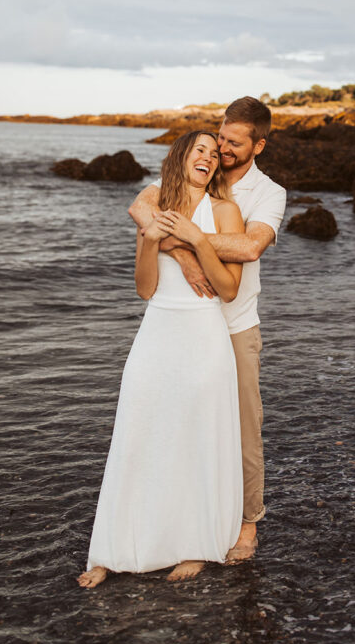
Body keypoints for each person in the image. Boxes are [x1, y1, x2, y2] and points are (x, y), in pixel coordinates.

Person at [77, 131, 246, 588]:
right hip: (156, 332)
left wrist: (197, 240)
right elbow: (145, 288)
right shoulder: (157, 208)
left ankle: (193, 545)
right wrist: (152, 239)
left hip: (203, 333)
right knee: (139, 431)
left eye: (214, 155)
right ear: (180, 157)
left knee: (194, 437)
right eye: (200, 151)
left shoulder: (225, 210)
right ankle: (112, 550)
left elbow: (228, 290)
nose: (209, 159)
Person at [127, 96, 286, 563]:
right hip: (179, 326)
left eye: (234, 143)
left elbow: (250, 247)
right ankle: (184, 520)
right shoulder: (193, 175)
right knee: (179, 425)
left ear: (259, 144)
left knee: (242, 429)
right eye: (220, 138)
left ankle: (247, 523)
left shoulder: (267, 193)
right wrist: (176, 252)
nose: (222, 148)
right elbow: (140, 206)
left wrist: (186, 240)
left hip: (234, 327)